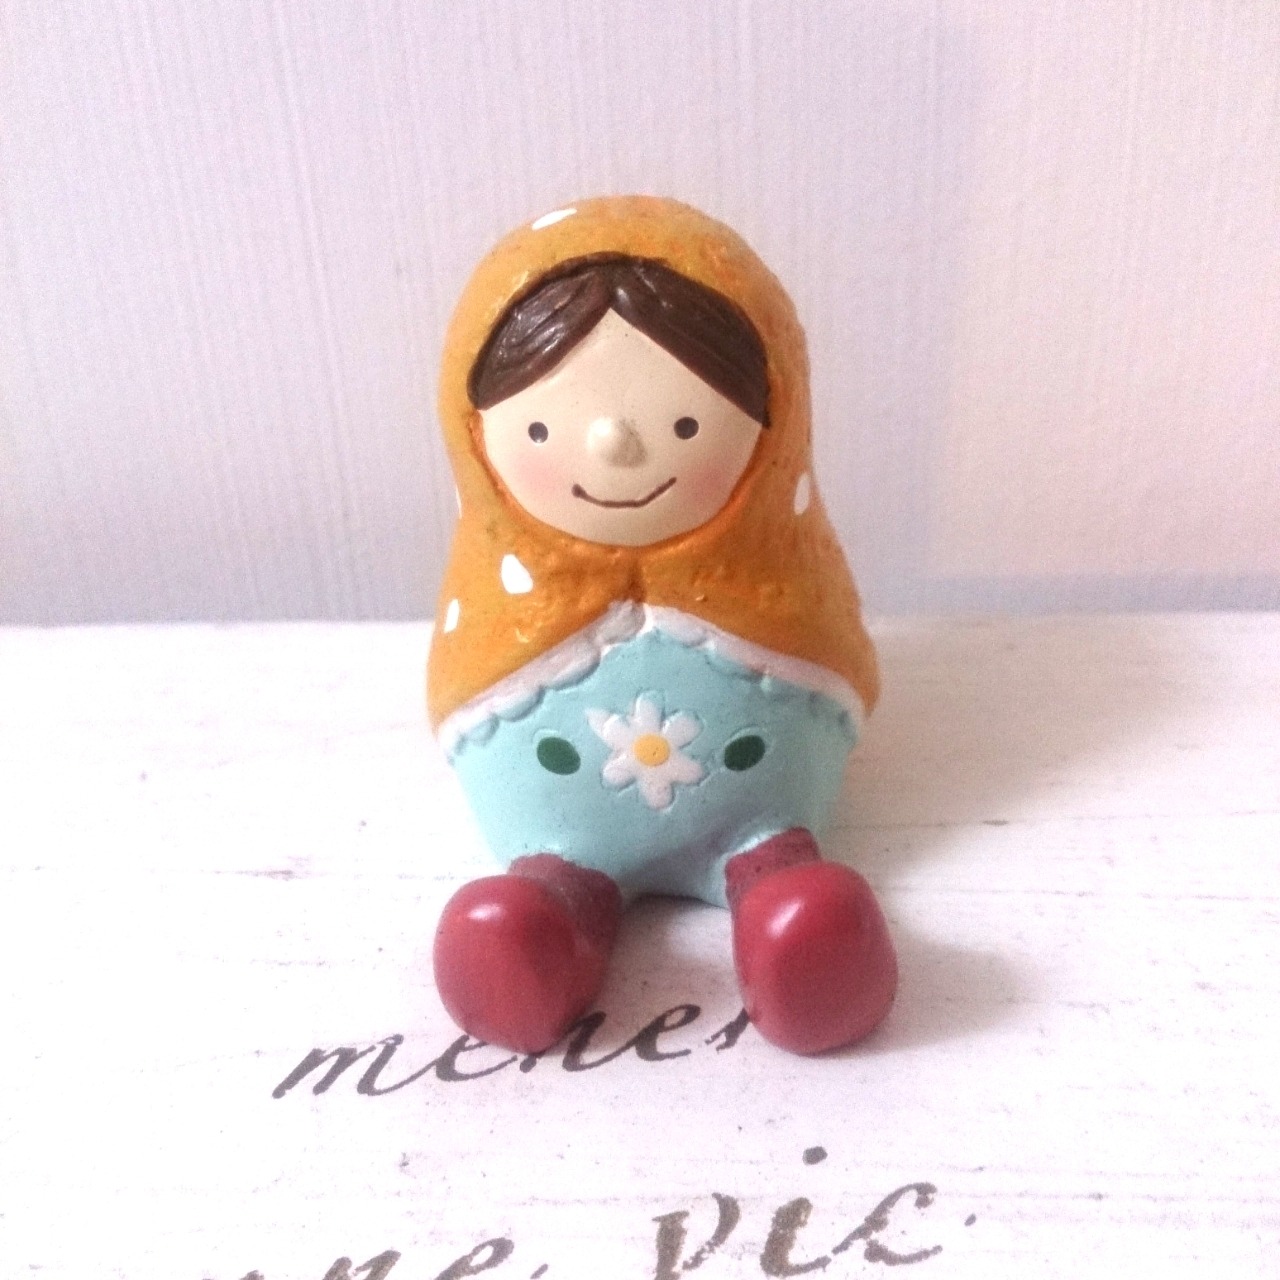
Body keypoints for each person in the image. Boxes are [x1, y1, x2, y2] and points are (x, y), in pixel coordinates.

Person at [427, 196, 896, 1056]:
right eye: (541, 428)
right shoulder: (502, 596)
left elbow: (838, 655)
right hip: (563, 821)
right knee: (553, 875)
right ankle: (539, 927)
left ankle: (791, 917)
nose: (615, 449)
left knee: (778, 860)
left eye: (685, 424)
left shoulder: (777, 573)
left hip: (762, 806)